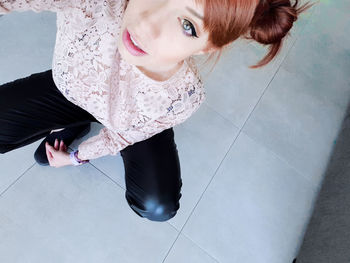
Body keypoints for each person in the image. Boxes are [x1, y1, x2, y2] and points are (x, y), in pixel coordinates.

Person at [0, 0, 315, 222]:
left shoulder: (181, 96)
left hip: (129, 119)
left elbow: (122, 135)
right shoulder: (97, 4)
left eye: (187, 25)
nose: (147, 24)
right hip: (69, 91)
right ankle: (75, 121)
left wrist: (78, 156)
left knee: (157, 206)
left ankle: (77, 129)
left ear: (208, 47)